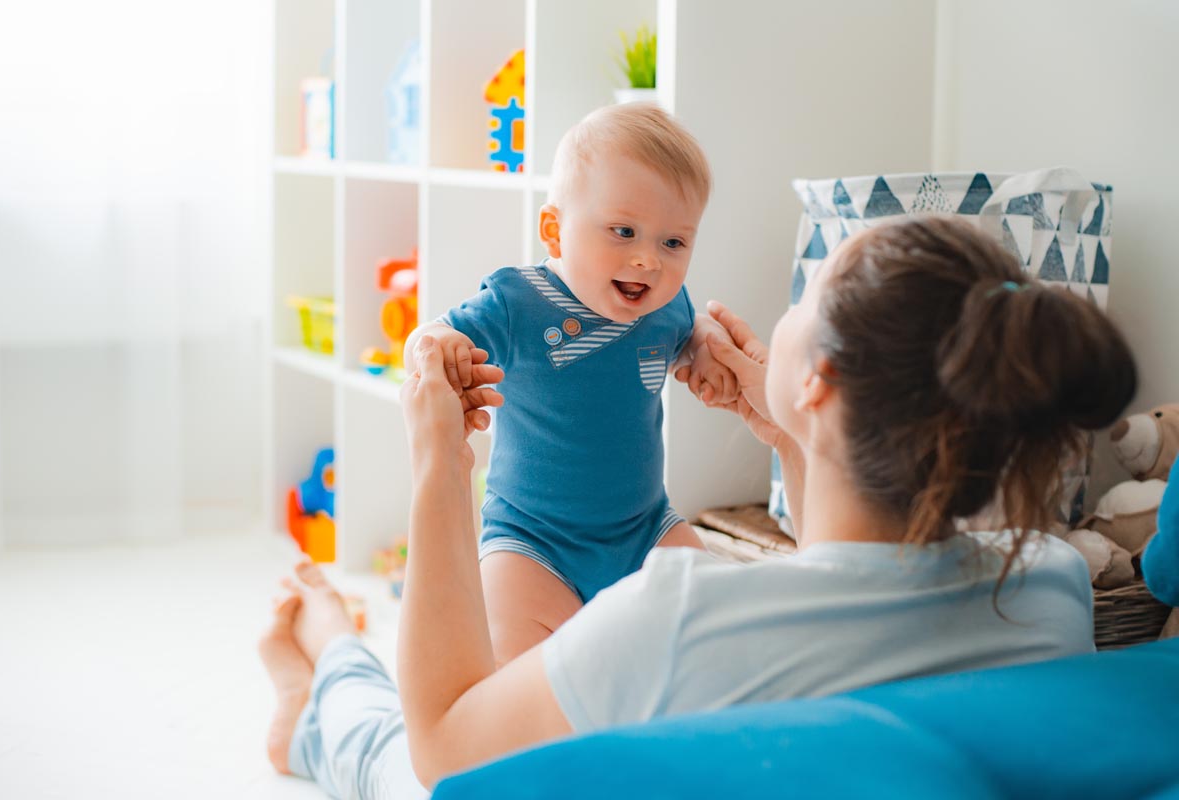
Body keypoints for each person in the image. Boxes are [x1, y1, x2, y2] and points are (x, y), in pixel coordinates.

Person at [259, 215, 1137, 799]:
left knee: (382, 751)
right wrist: (794, 438)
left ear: (817, 379)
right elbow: (854, 592)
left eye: (806, 296)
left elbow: (445, 748)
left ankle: (327, 666)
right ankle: (322, 678)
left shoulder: (674, 611)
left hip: (441, 757)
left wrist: (439, 467)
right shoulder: (1051, 585)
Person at [401, 103, 734, 666]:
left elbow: (688, 331)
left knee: (716, 621)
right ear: (555, 231)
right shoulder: (518, 302)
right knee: (514, 666)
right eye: (623, 231)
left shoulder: (667, 307)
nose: (647, 260)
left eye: (674, 243)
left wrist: (706, 348)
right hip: (531, 542)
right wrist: (437, 347)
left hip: (644, 528)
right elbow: (428, 336)